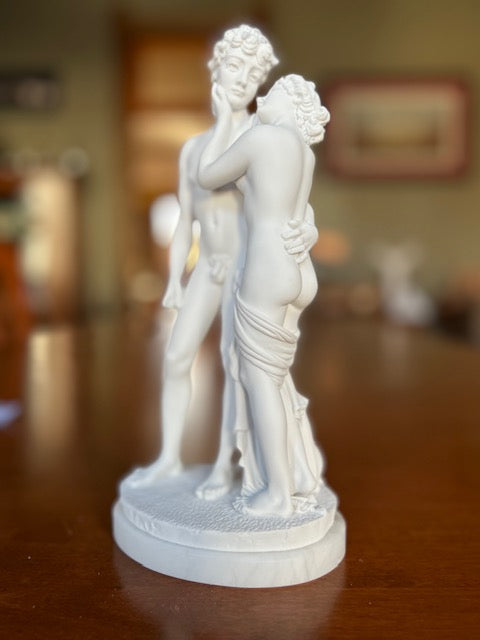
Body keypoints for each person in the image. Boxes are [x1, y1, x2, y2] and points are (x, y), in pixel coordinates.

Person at [128, 26, 306, 496]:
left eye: (253, 73)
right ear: (216, 69)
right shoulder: (192, 149)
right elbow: (185, 219)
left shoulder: (260, 138)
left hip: (247, 271)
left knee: (234, 367)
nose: (242, 79)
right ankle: (168, 457)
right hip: (207, 269)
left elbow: (286, 206)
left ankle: (225, 466)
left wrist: (303, 232)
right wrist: (174, 278)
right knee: (176, 356)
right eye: (234, 67)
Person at [198, 75, 330, 516]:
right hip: (299, 271)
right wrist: (310, 231)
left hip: (267, 267)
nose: (259, 100)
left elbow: (207, 175)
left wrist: (223, 120)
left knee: (260, 383)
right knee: (277, 379)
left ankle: (278, 494)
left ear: (288, 102)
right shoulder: (304, 153)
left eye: (269, 95)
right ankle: (299, 473)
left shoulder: (262, 139)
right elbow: (299, 210)